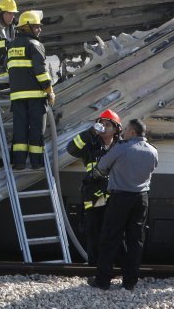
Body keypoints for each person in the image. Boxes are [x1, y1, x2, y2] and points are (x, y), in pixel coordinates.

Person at [88, 118, 158, 291]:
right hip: (141, 199)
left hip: (120, 198)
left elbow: (102, 166)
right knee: (136, 240)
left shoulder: (121, 148)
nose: (124, 131)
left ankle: (103, 281)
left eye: (126, 129)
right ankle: (130, 282)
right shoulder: (153, 151)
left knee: (110, 238)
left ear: (133, 132)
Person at [67, 109, 122, 266]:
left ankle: (113, 265)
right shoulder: (91, 144)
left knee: (114, 231)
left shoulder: (122, 146)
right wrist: (90, 132)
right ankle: (94, 266)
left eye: (107, 125)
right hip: (96, 195)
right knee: (94, 229)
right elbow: (71, 149)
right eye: (101, 124)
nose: (103, 127)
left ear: (116, 129)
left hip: (116, 195)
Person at [6, 10, 53, 170]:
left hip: (17, 97)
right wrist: (49, 89)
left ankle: (19, 162)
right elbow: (40, 70)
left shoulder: (11, 46)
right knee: (36, 131)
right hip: (36, 97)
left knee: (19, 130)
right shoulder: (35, 45)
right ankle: (36, 162)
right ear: (26, 27)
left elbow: (9, 70)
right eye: (36, 26)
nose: (39, 29)